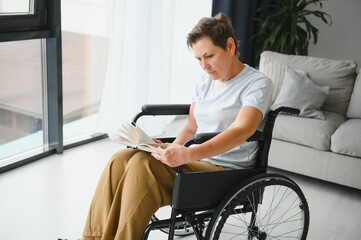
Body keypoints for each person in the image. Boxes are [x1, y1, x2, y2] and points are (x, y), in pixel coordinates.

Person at [82, 12, 273, 240]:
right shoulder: (206, 81)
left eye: (209, 56)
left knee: (143, 166)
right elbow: (192, 128)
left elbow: (242, 130)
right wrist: (173, 148)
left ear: (230, 46)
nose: (204, 66)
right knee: (121, 159)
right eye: (198, 59)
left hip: (226, 171)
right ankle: (92, 238)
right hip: (195, 160)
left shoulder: (257, 83)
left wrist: (189, 153)